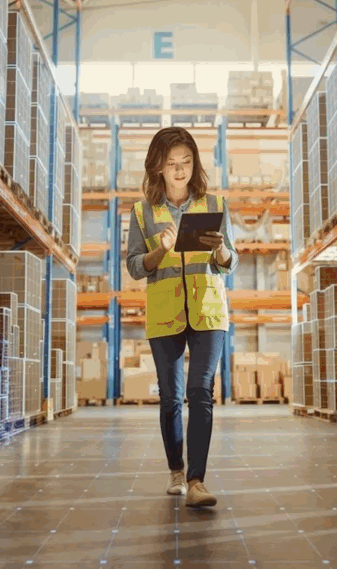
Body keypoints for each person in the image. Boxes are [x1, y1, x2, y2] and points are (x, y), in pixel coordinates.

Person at [125, 126, 238, 508]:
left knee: (200, 392)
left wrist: (221, 250)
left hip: (208, 310)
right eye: (171, 164)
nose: (179, 170)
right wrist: (160, 250)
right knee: (172, 397)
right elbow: (135, 266)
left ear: (195, 163)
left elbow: (229, 263)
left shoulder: (213, 205)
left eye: (186, 162)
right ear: (157, 167)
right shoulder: (142, 212)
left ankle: (197, 481)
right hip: (164, 311)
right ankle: (176, 471)